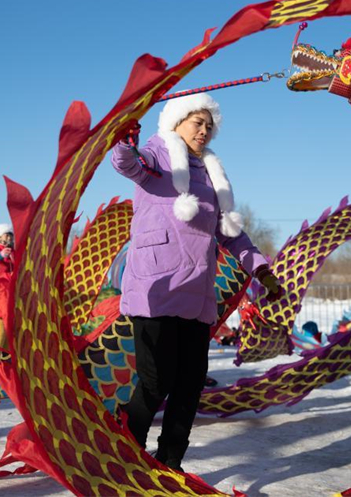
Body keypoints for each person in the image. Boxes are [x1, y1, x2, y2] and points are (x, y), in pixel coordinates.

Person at [111, 93, 283, 472]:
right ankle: (126, 449)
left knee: (189, 385)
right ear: (176, 122)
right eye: (197, 122)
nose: (204, 130)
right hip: (156, 286)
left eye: (209, 125)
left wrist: (260, 268)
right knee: (156, 383)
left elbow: (230, 232)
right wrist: (125, 138)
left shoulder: (211, 173)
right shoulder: (156, 153)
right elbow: (125, 163)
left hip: (197, 291)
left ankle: (171, 460)